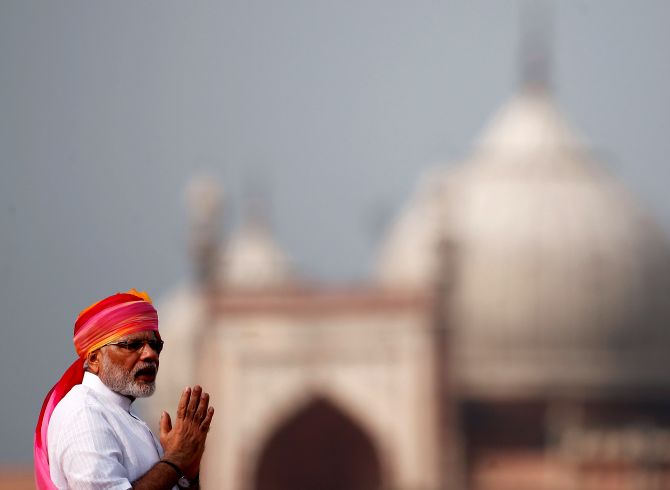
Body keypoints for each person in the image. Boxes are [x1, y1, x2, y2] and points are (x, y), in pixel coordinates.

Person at [34, 289, 214, 490]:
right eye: (132, 345)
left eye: (155, 345)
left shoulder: (124, 416)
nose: (150, 355)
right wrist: (176, 459)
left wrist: (187, 475)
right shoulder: (83, 412)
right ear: (94, 359)